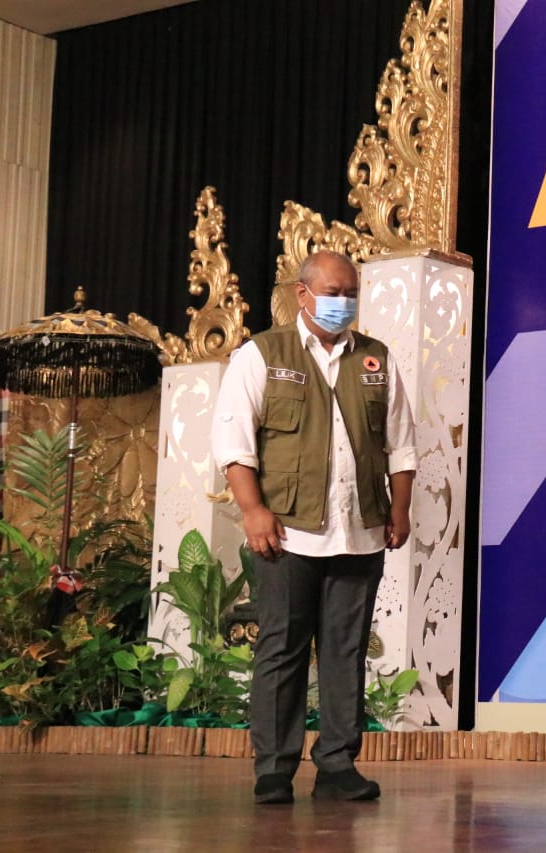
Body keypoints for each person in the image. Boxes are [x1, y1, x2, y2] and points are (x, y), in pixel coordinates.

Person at [212, 249, 416, 805]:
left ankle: (337, 766)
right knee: (281, 648)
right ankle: (274, 769)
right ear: (302, 294)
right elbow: (234, 442)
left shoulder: (376, 358)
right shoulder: (262, 354)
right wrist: (253, 510)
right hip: (287, 533)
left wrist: (399, 509)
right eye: (332, 293)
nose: (343, 303)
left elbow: (400, 444)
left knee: (346, 651)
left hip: (360, 532)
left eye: (351, 294)